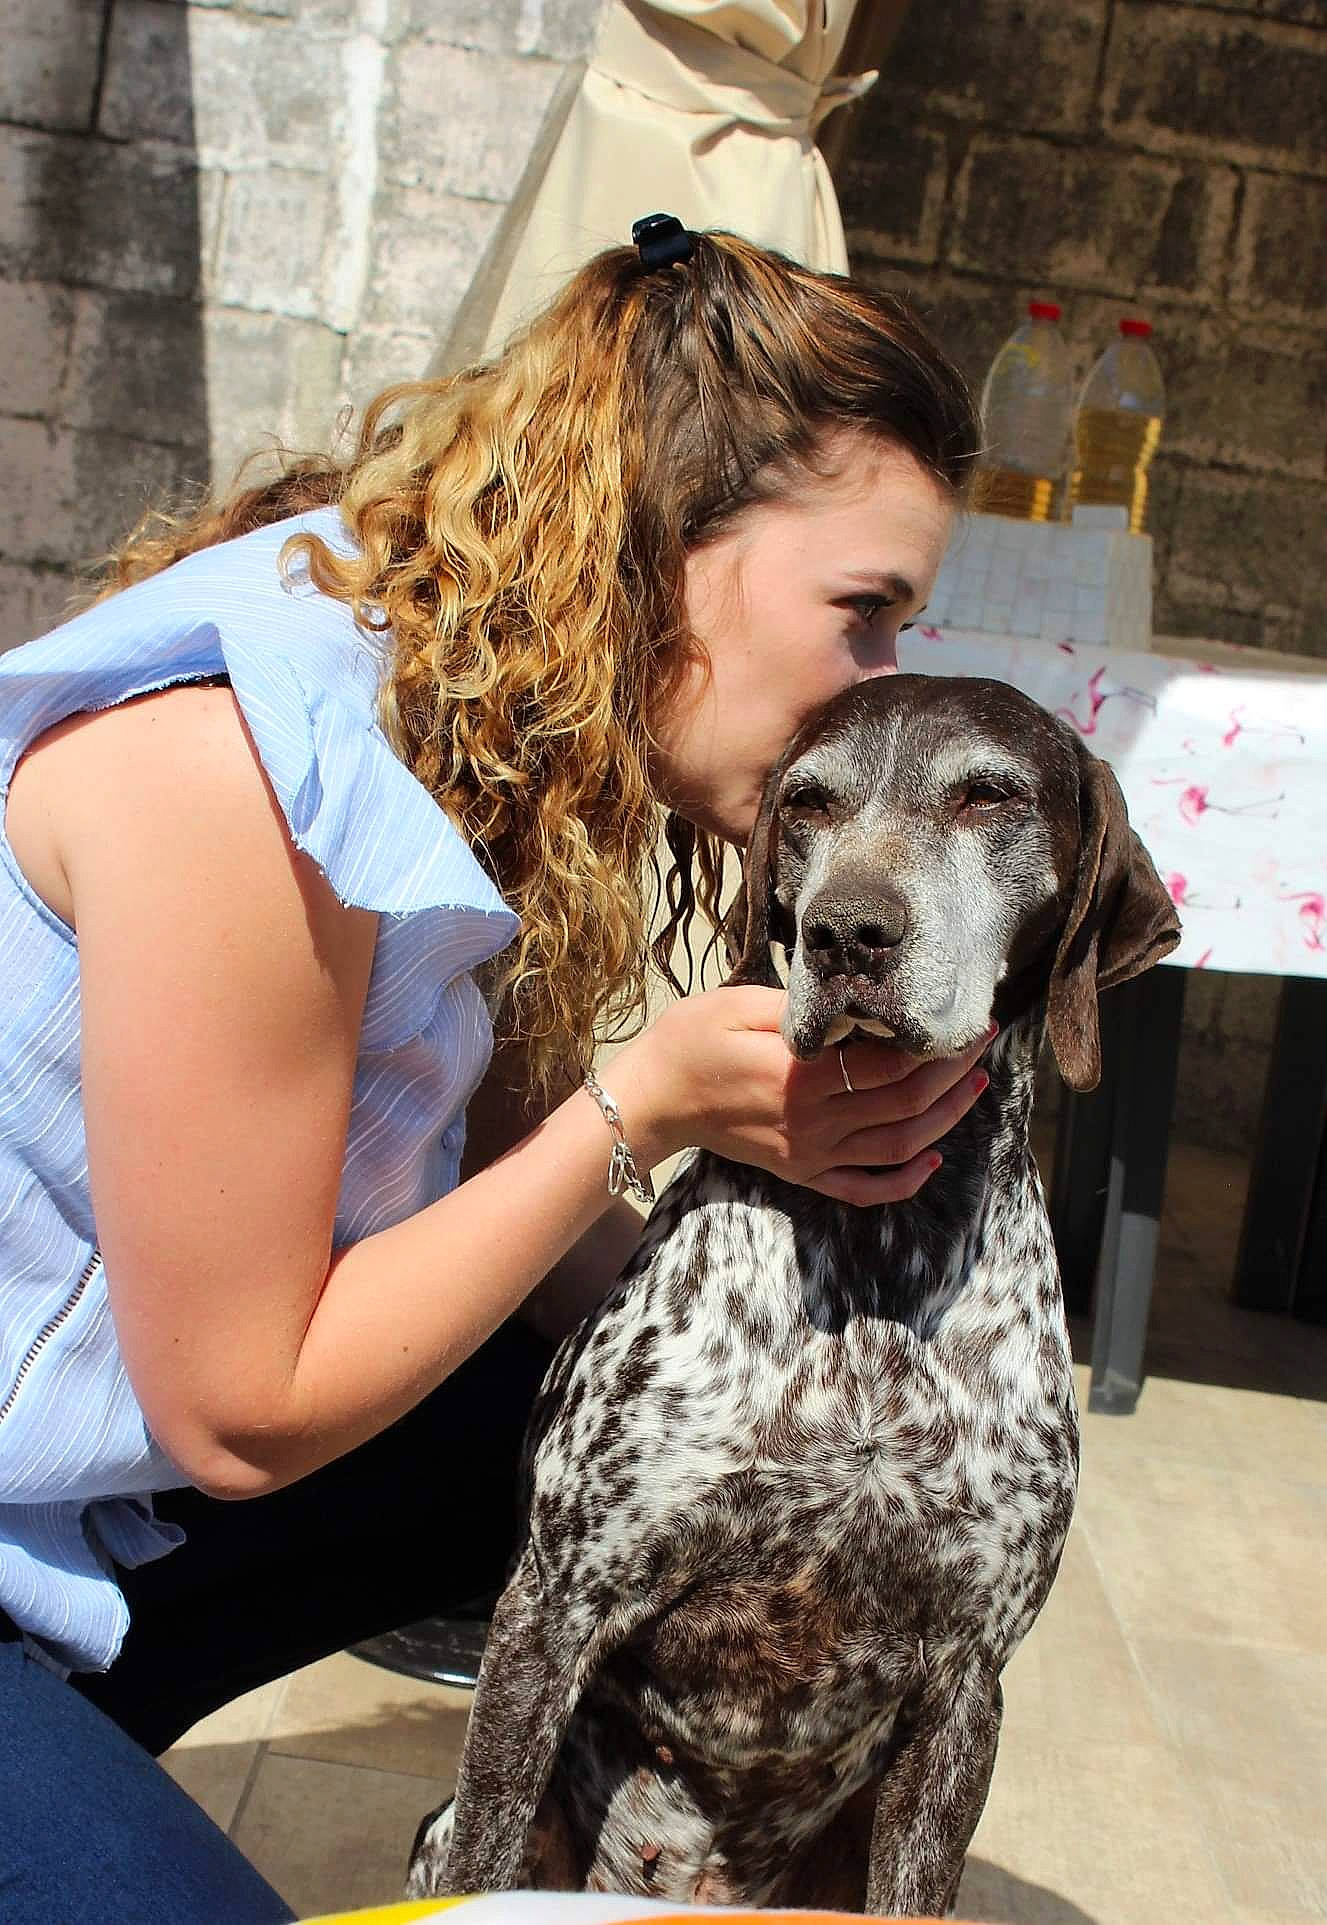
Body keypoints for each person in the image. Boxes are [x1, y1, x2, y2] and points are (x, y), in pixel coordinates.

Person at [0, 224, 987, 1920]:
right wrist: (650, 1105)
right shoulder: (248, 766)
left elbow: (508, 1160)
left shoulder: (473, 701)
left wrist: (796, 1401)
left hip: (84, 1514)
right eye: (865, 614)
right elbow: (240, 1413)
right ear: (672, 537)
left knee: (665, 1460)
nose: (875, 690)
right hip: (136, 1475)